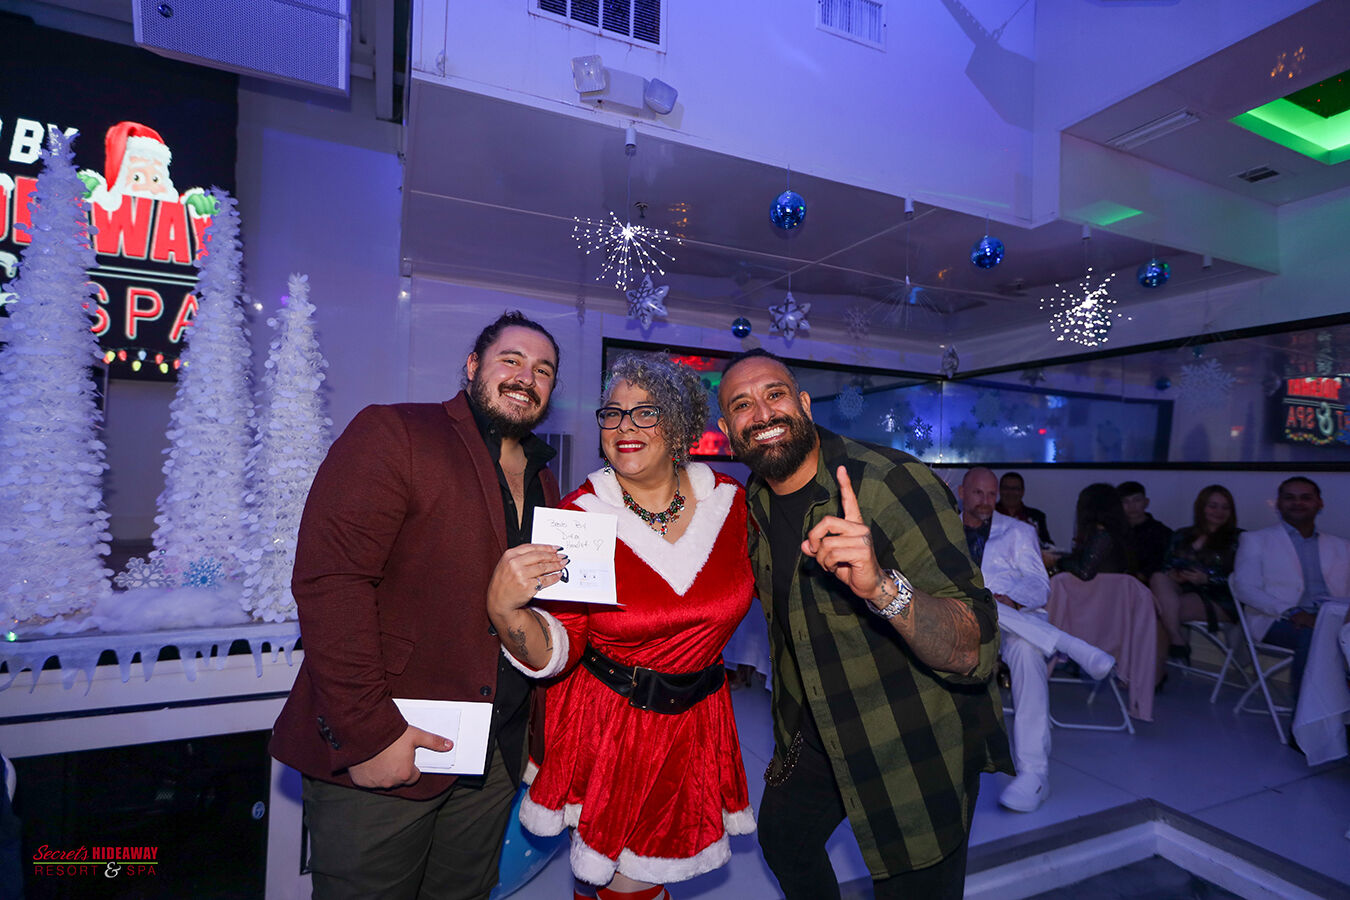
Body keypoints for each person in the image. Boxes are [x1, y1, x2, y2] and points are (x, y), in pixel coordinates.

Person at [269, 311, 562, 900]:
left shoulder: (545, 478)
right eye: (511, 360)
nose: (526, 377)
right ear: (473, 366)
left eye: (543, 370)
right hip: (392, 741)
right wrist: (370, 734)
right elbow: (332, 582)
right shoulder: (396, 431)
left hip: (495, 756)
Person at [716, 349, 1011, 900]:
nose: (763, 413)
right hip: (816, 731)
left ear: (804, 404)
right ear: (728, 429)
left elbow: (973, 645)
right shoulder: (754, 502)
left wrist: (882, 589)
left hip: (909, 737)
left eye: (775, 394)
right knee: (784, 841)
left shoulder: (890, 481)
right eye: (742, 405)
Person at [486, 353, 755, 900]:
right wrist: (506, 612)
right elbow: (560, 645)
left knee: (642, 874)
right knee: (618, 882)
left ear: (679, 426)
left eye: (644, 412)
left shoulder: (731, 504)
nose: (624, 427)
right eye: (612, 413)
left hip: (698, 720)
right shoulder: (580, 517)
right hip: (611, 725)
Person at [958, 468, 1114, 813]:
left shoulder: (1020, 531)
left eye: (992, 494)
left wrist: (1011, 600)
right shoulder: (941, 530)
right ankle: (1070, 645)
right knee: (978, 603)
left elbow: (1039, 586)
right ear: (962, 492)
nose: (986, 501)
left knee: (1027, 650)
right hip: (958, 622)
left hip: (1014, 621)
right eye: (979, 493)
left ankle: (1034, 774)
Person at [1232, 476, 1350, 694]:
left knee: (1328, 634)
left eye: (1306, 497)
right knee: (1315, 637)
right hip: (1277, 618)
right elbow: (1244, 588)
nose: (1297, 503)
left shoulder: (1342, 546)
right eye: (1289, 498)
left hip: (1332, 618)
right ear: (1278, 504)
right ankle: (1306, 714)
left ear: (1319, 503)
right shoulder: (1256, 540)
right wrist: (1292, 611)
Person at [1150, 485, 1240, 677]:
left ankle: (1152, 676)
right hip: (1181, 590)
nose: (1219, 512)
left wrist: (1208, 579)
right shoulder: (1183, 534)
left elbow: (1242, 580)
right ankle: (1176, 640)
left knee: (1158, 613)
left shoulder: (1239, 539)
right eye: (1213, 506)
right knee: (1158, 578)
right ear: (1201, 507)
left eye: (1225, 507)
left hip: (1220, 597)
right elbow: (1165, 565)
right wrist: (1174, 574)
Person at [1046, 483, 1132, 580]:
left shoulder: (1102, 535)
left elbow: (1084, 571)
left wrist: (1056, 560)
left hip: (1102, 588)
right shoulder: (1118, 531)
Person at [1118, 481, 1174, 582]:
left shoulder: (1161, 532)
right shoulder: (1113, 531)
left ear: (1146, 502)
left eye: (1136, 500)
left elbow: (1164, 562)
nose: (1131, 506)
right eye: (1125, 501)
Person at [996, 471, 1053, 546]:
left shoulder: (1037, 516)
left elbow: (1047, 545)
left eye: (1015, 489)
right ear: (999, 490)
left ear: (1022, 492)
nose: (1010, 492)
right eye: (1006, 488)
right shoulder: (989, 514)